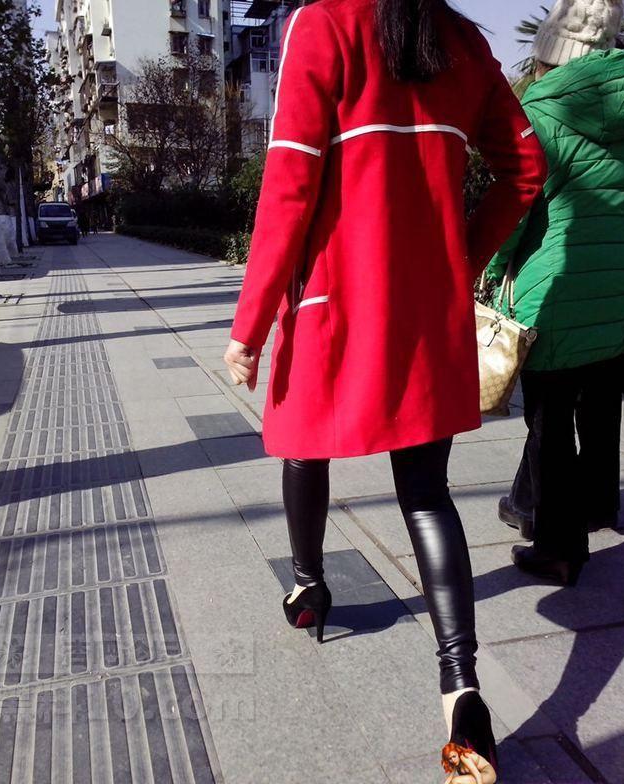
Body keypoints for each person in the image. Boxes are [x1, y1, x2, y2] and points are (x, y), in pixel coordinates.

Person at [224, 0, 546, 766]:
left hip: (333, 305)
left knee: (304, 447)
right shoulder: (462, 40)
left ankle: (309, 587)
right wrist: (459, 262)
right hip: (427, 314)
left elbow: (290, 184)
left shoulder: (323, 25)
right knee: (428, 496)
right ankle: (461, 688)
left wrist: (251, 322)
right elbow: (525, 170)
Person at [486, 0, 624, 586]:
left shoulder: (541, 109)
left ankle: (559, 547)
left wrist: (491, 268)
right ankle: (597, 508)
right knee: (600, 407)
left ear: (550, 54)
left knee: (548, 426)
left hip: (556, 290)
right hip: (621, 289)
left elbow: (515, 205)